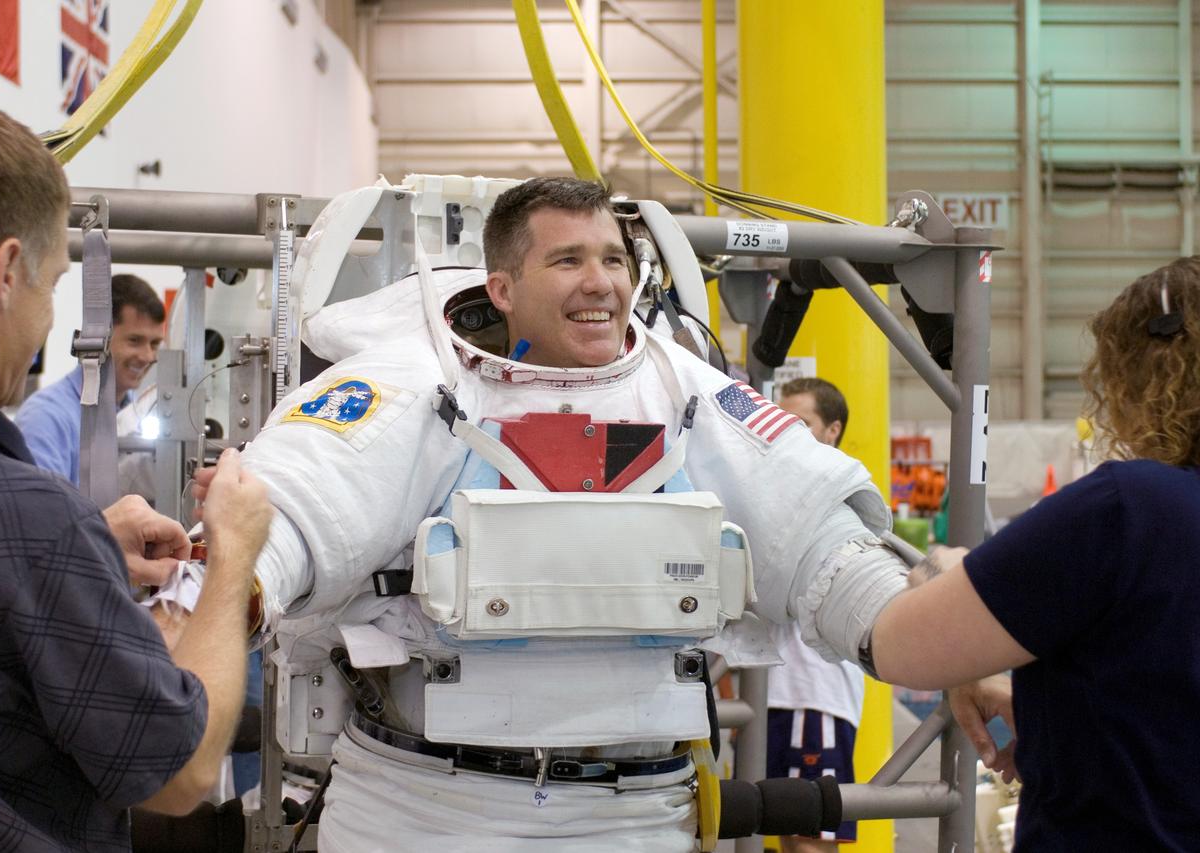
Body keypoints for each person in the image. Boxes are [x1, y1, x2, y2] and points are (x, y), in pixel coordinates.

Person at [216, 175, 935, 852]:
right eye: (568, 260)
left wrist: (940, 641)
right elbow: (291, 517)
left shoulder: (684, 395)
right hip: (422, 813)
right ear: (501, 287)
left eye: (614, 260)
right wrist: (222, 589)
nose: (601, 281)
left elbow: (822, 553)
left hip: (635, 817)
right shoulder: (413, 383)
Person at [0, 102, 272, 852]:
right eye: (52, 286)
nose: (48, 321)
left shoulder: (24, 522)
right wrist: (233, 557)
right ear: (7, 270)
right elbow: (179, 774)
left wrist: (88, 550)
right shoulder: (29, 516)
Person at [873, 256, 1200, 850]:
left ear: (1137, 378)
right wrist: (1060, 716)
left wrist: (942, 574)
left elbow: (900, 646)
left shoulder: (1126, 508)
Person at [768, 377, 863, 852]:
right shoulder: (780, 492)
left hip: (814, 695)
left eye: (802, 424)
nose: (790, 434)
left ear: (833, 430)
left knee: (811, 841)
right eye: (783, 421)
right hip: (777, 693)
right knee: (787, 836)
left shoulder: (845, 500)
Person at [15, 273, 165, 485]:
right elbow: (41, 512)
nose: (148, 356)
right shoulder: (45, 418)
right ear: (97, 338)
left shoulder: (137, 415)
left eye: (155, 344)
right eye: (134, 341)